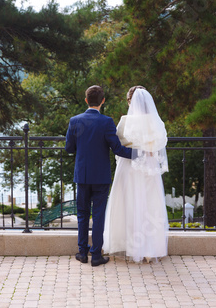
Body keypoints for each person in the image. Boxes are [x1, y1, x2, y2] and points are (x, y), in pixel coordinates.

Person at [65, 85, 132, 267]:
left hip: (82, 175)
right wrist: (139, 154)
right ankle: (96, 255)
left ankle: (82, 252)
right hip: (101, 176)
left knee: (82, 214)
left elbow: (69, 148)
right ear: (103, 101)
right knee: (99, 215)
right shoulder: (107, 122)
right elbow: (118, 149)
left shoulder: (74, 121)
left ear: (86, 100)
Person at [103, 86, 169, 263]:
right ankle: (150, 248)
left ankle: (129, 245)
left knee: (128, 204)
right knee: (149, 204)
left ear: (130, 101)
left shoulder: (125, 121)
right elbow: (159, 146)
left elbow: (117, 145)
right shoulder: (155, 122)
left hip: (129, 165)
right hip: (149, 166)